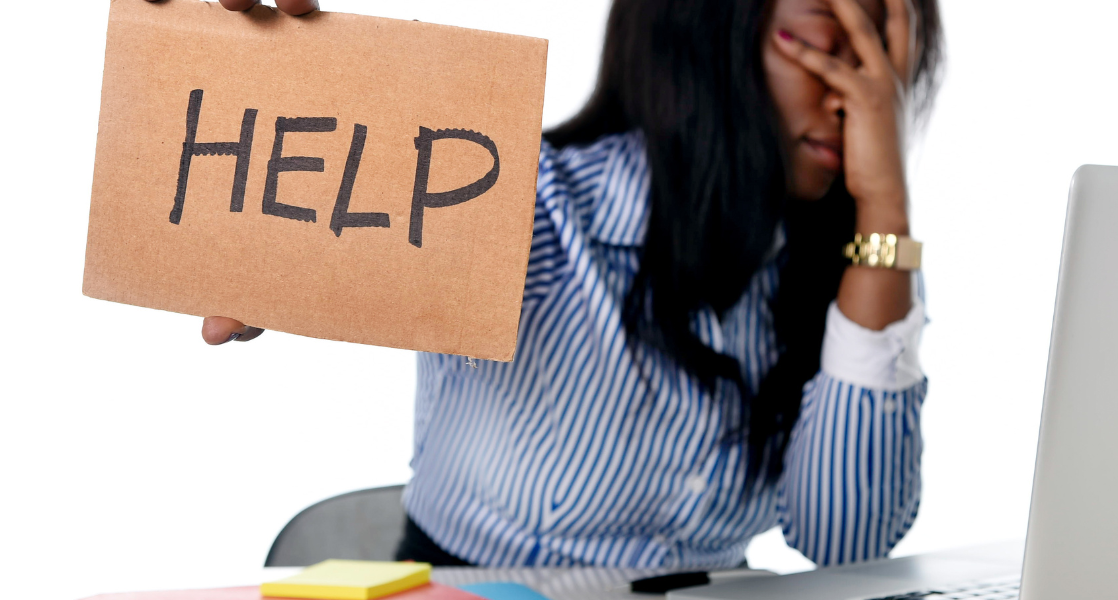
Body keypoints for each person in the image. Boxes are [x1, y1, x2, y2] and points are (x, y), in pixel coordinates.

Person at [187, 0, 943, 569]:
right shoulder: (530, 204)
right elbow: (327, 213)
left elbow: (850, 540)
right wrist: (244, 77)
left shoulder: (864, 272)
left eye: (885, 66)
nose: (862, 102)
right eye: (825, 50)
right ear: (704, 30)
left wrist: (887, 208)